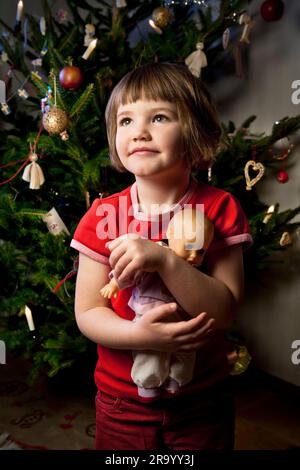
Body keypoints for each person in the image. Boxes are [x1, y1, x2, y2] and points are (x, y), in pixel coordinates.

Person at [70, 62, 253, 450]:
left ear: (193, 130)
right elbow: (87, 312)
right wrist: (139, 335)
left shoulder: (220, 208)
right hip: (123, 402)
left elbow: (224, 312)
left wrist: (166, 260)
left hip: (202, 400)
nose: (139, 132)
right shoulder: (102, 217)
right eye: (125, 121)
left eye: (158, 117)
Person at [100, 209, 214, 398]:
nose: (194, 256)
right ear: (170, 234)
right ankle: (148, 383)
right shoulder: (154, 252)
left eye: (201, 251)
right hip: (148, 313)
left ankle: (177, 378)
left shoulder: (193, 268)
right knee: (149, 352)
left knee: (185, 350)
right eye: (189, 246)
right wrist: (115, 283)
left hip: (180, 315)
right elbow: (130, 270)